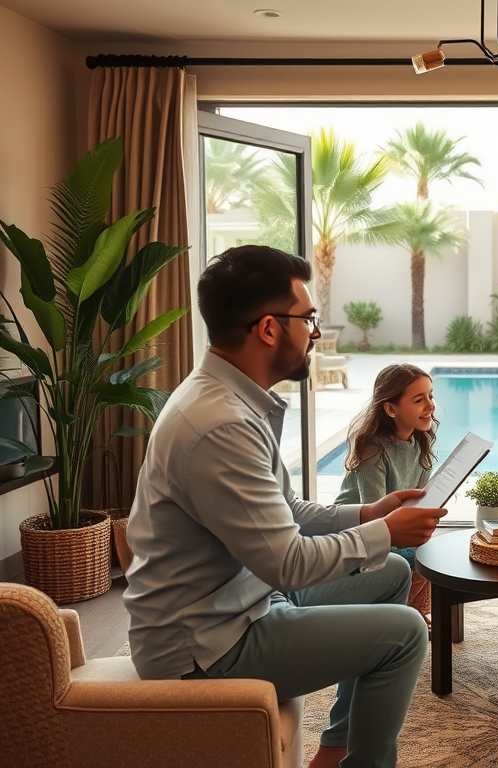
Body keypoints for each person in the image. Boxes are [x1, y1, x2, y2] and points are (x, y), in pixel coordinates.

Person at [123, 245, 447, 768]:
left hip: (246, 601)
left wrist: (370, 515)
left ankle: (335, 747)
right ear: (270, 329)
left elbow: (287, 510)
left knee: (389, 574)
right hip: (207, 644)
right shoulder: (221, 423)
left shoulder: (236, 401)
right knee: (406, 633)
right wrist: (389, 531)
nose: (316, 333)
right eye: (309, 318)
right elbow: (288, 562)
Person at [335, 363, 438, 629]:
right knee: (417, 556)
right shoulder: (373, 450)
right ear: (391, 409)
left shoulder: (420, 442)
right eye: (419, 400)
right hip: (356, 531)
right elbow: (373, 516)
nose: (430, 406)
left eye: (431, 396)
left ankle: (412, 612)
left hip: (393, 527)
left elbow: (418, 501)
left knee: (429, 548)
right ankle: (396, 617)